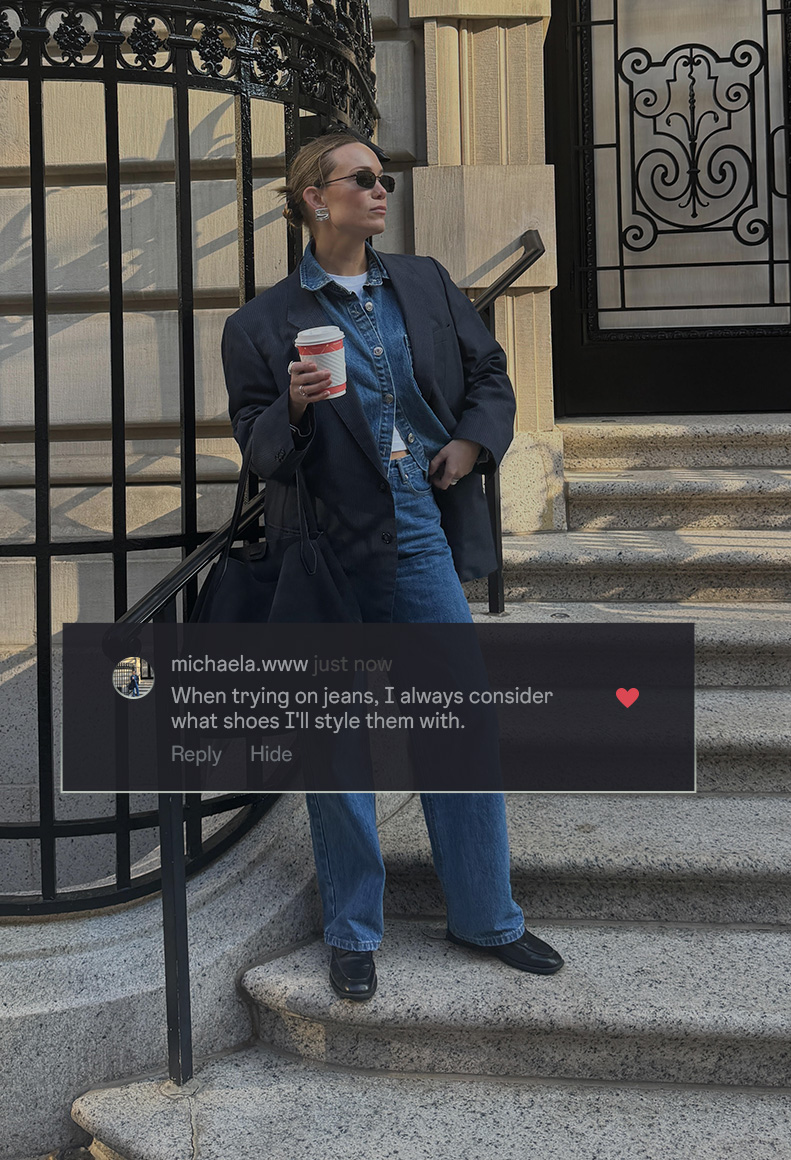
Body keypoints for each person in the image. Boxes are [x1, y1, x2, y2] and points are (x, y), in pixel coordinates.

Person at [221, 129, 563, 1000]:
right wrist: (292, 413)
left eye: (386, 180)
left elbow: (491, 377)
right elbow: (257, 451)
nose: (382, 192)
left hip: (418, 529)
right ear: (314, 198)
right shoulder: (259, 325)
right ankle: (352, 933)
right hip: (326, 549)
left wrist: (470, 445)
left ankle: (489, 918)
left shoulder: (426, 283)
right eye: (363, 179)